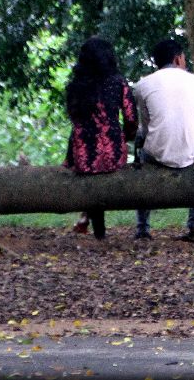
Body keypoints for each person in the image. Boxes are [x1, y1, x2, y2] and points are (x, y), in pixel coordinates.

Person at [131, 38, 194, 241]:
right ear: (177, 59)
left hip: (157, 153)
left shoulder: (143, 85)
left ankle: (142, 228)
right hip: (193, 152)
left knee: (142, 154)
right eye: (184, 58)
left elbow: (147, 125)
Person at [63, 37, 138, 241]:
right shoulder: (118, 83)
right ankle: (96, 228)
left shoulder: (75, 86)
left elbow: (75, 118)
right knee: (102, 170)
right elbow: (131, 118)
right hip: (111, 151)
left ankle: (95, 227)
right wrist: (127, 137)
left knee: (88, 169)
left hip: (83, 154)